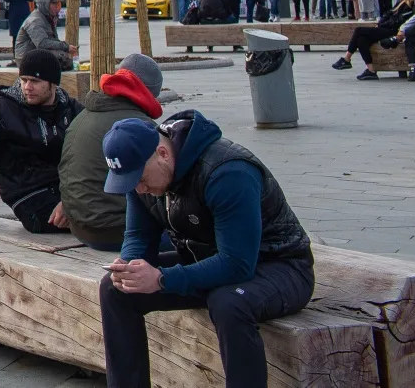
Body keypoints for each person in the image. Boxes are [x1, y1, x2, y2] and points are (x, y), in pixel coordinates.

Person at [97, 111, 314, 388]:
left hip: (278, 265)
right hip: (207, 258)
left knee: (228, 303)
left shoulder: (227, 171)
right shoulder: (141, 173)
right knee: (116, 289)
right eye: (129, 182)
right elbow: (139, 235)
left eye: (139, 178)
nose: (139, 189)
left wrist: (162, 279)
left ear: (162, 153)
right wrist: (129, 266)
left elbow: (236, 264)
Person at [0, 50, 81, 233]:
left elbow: (91, 153)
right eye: (24, 80)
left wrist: (71, 199)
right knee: (93, 217)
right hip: (29, 196)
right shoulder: (2, 108)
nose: (27, 87)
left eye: (35, 81)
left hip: (68, 189)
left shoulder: (70, 108)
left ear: (53, 83)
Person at [57, 54, 163, 251]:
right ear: (149, 93)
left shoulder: (84, 115)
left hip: (80, 227)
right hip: (115, 230)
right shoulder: (140, 128)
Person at [14, 0, 73, 67]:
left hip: (35, 54)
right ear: (45, 5)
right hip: (26, 59)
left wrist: (65, 49)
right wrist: (65, 47)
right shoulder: (35, 20)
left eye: (58, 4)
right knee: (60, 59)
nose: (57, 7)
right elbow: (42, 43)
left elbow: (52, 40)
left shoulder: (48, 17)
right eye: (54, 4)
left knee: (65, 59)